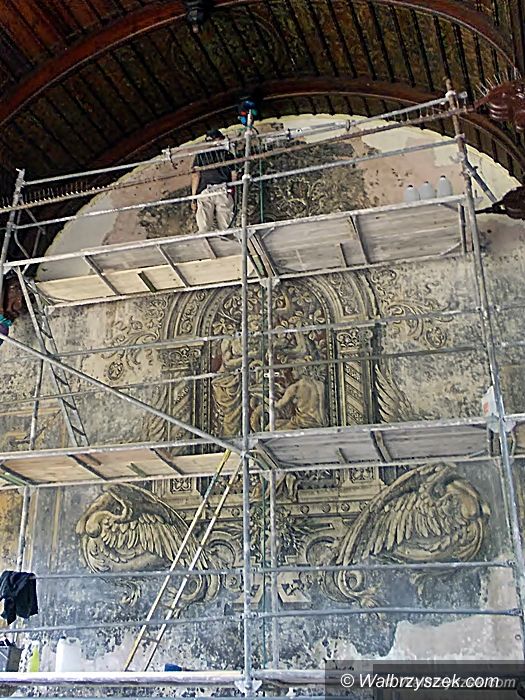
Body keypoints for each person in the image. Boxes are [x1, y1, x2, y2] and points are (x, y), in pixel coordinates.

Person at [191, 129, 237, 233]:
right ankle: (224, 239)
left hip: (206, 191)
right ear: (218, 139)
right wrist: (233, 194)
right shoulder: (227, 155)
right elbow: (234, 175)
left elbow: (195, 175)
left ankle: (203, 239)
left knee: (203, 227)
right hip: (223, 190)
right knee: (225, 228)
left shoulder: (200, 156)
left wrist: (193, 198)